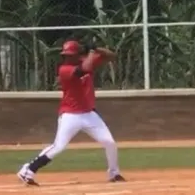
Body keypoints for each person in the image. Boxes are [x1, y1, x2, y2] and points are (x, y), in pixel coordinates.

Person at [17, 40, 124, 186]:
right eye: (66, 55)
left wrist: (95, 48)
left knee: (109, 142)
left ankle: (114, 173)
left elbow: (112, 56)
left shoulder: (85, 60)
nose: (67, 57)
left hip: (89, 113)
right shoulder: (65, 69)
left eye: (71, 55)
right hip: (70, 114)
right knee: (58, 146)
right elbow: (84, 69)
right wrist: (91, 53)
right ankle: (27, 170)